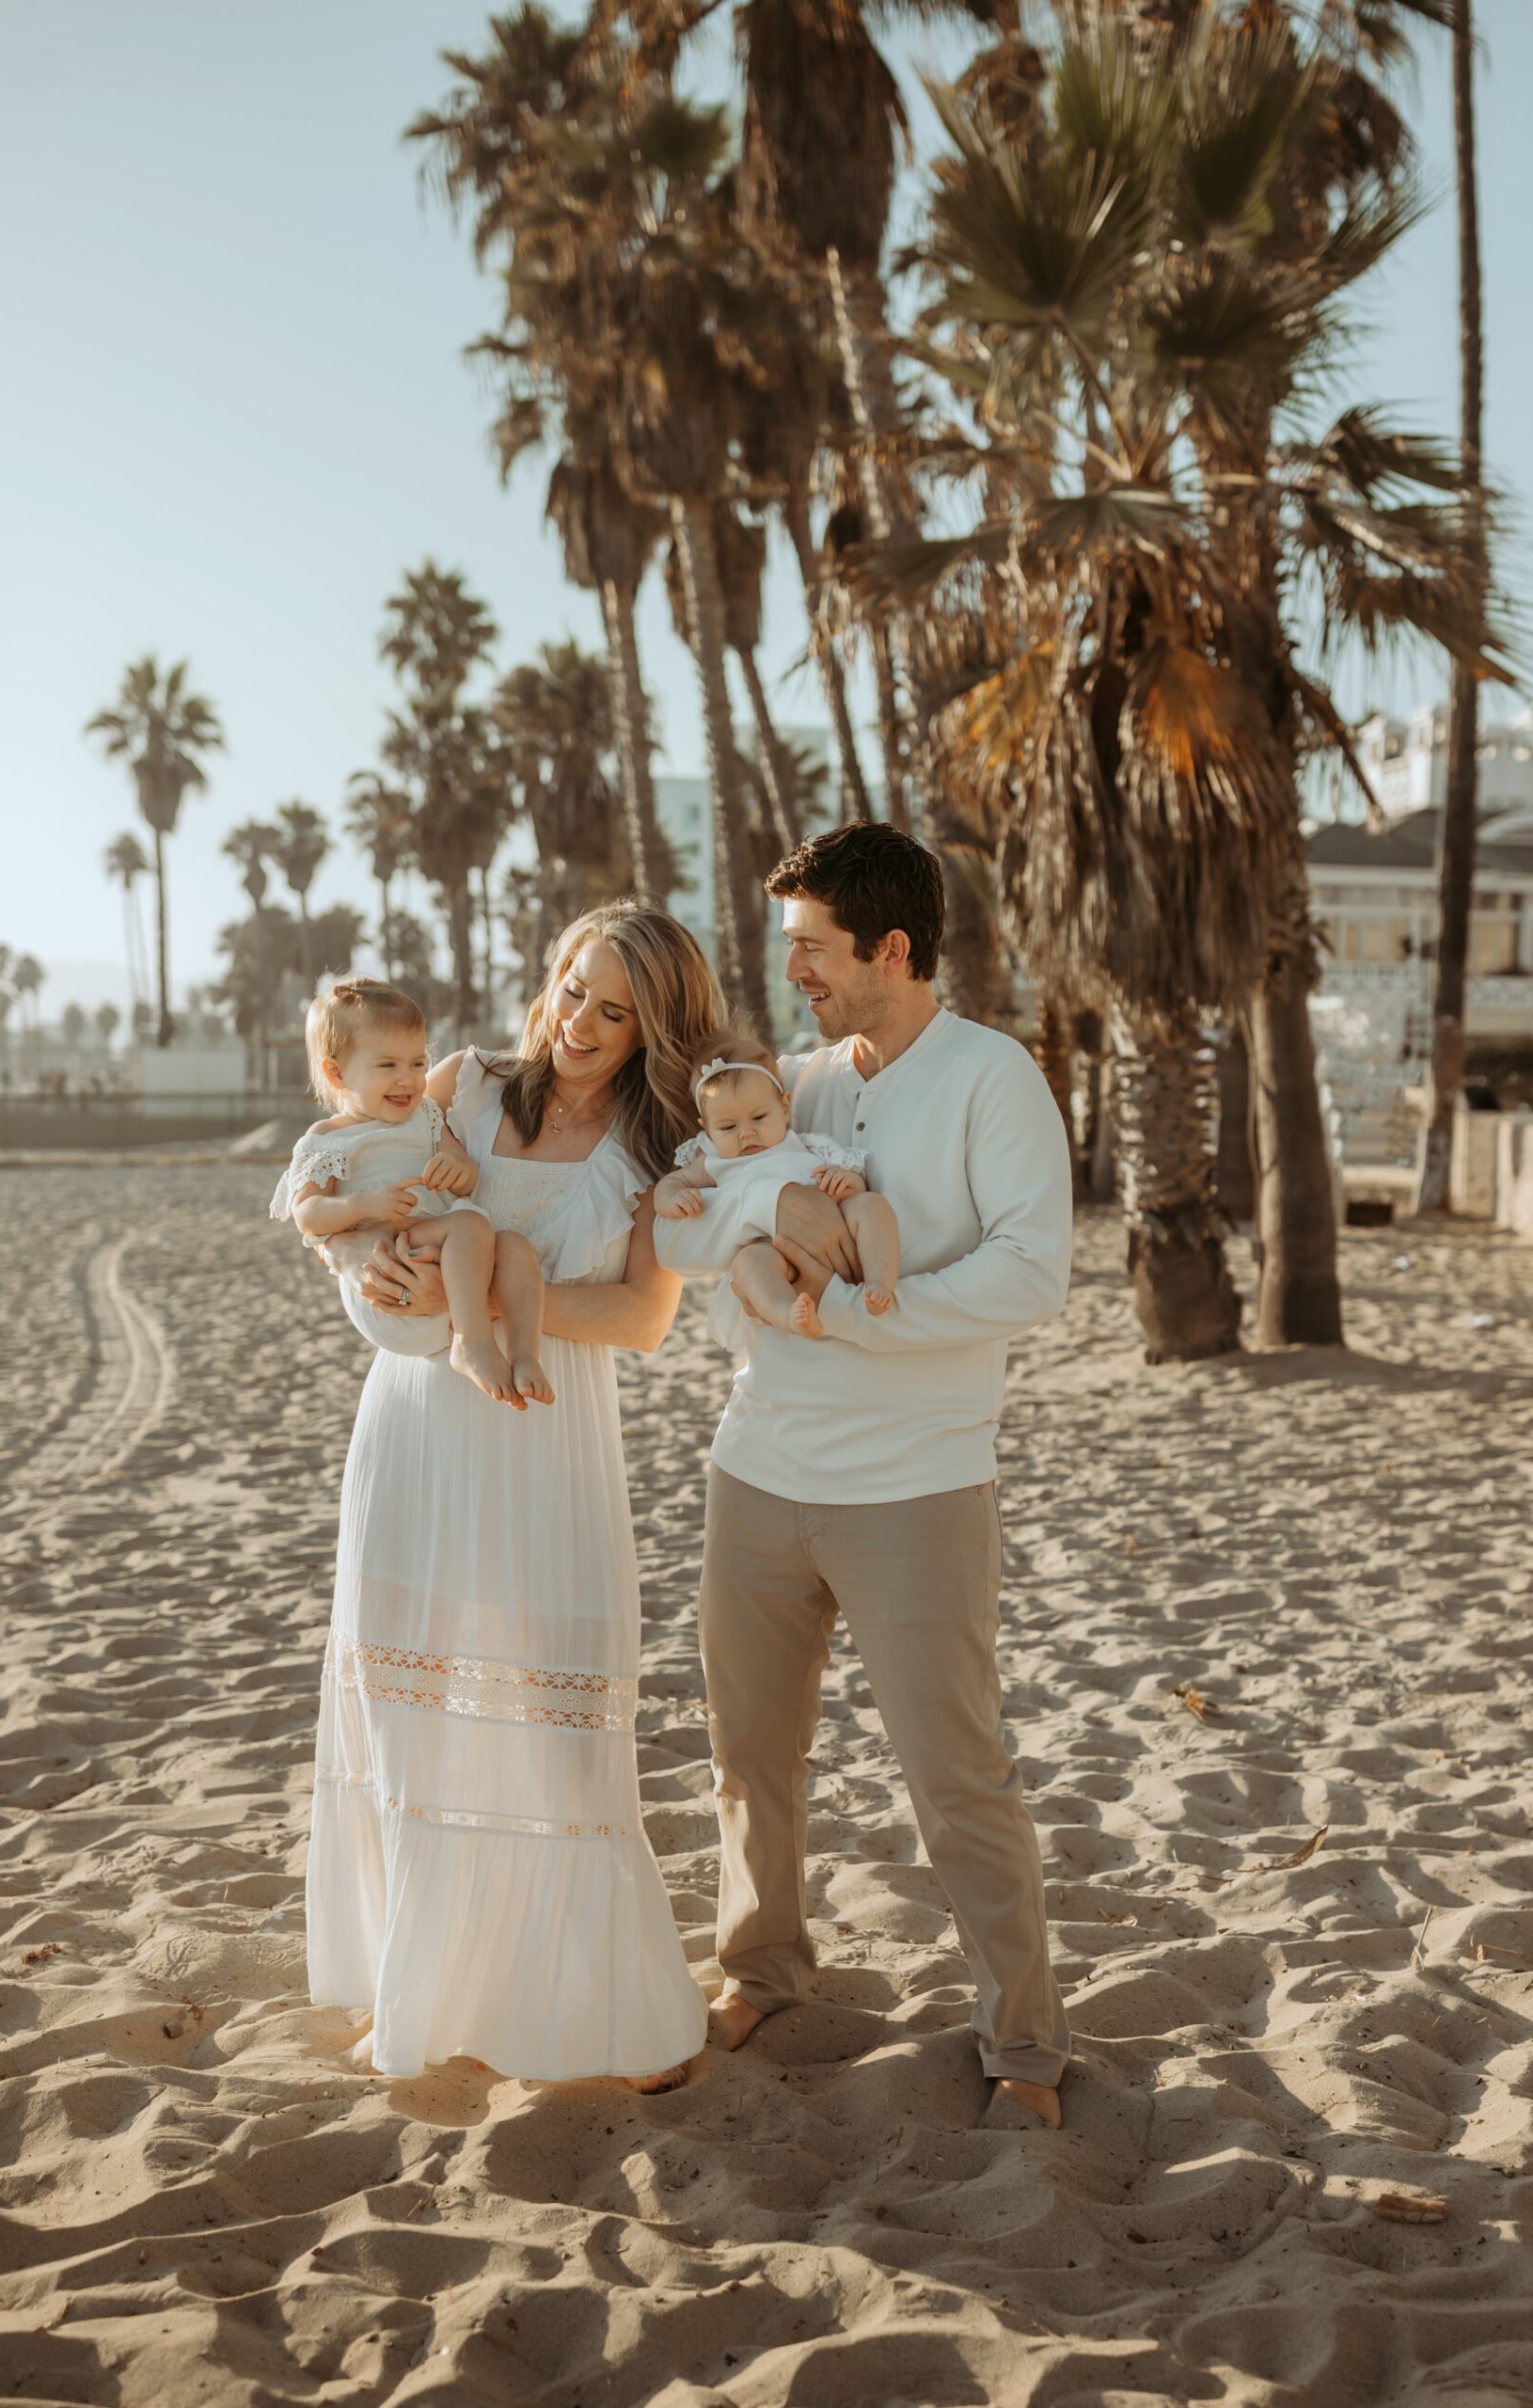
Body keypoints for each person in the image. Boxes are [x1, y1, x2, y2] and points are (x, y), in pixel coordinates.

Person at [653, 823, 1074, 2129]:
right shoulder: (792, 1083)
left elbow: (1029, 1271)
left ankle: (1021, 2047)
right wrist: (768, 1239)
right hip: (756, 1469)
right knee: (748, 1755)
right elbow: (698, 1215)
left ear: (891, 949)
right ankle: (762, 1968)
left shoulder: (991, 1078)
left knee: (958, 1775)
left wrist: (854, 1318)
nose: (796, 976)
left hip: (918, 1486)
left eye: (813, 950)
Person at [303, 906, 720, 2088]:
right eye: (572, 988)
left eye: (614, 1009)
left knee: (551, 1720)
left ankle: (581, 2004)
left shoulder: (659, 1147)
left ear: (654, 1028)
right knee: (410, 1696)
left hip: (544, 1430)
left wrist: (484, 1316)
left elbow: (642, 1318)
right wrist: (368, 1266)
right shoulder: (461, 1083)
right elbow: (347, 1189)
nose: (577, 1023)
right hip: (418, 1424)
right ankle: (416, 1987)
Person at [272, 975, 552, 1406]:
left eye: (418, 1064)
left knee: (514, 1246)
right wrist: (361, 1204)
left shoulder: (426, 1118)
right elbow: (306, 1214)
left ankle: (524, 1355)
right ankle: (471, 1341)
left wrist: (456, 1168)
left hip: (443, 1247)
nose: (408, 1080)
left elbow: (466, 1171)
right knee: (470, 1226)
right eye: (387, 1066)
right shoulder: (328, 1138)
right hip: (391, 1258)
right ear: (337, 1072)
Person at [656, 1023, 899, 1336]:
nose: (746, 1132)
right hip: (774, 1252)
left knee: (871, 1206)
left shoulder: (807, 1144)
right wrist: (672, 1199)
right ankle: (789, 1313)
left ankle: (879, 1281)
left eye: (759, 1118)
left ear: (784, 1107)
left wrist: (845, 1180)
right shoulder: (712, 1162)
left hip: (832, 1229)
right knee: (749, 1264)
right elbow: (671, 1184)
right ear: (706, 1128)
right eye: (728, 1127)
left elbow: (855, 1185)